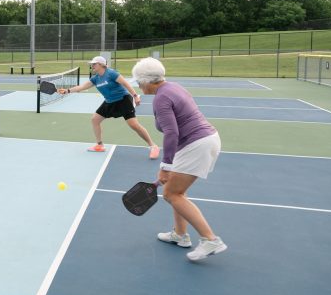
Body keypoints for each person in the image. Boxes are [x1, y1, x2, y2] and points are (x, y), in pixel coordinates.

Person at [132, 56, 226, 262]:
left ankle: (210, 239)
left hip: (196, 144)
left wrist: (165, 166)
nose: (138, 85)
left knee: (172, 194)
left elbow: (171, 133)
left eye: (138, 81)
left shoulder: (161, 98)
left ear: (147, 80)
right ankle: (180, 235)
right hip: (202, 141)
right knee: (177, 192)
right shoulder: (174, 87)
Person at [58, 56, 160, 159]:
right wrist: (67, 91)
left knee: (133, 125)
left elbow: (125, 84)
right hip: (109, 102)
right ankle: (99, 145)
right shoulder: (95, 78)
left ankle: (153, 146)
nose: (92, 66)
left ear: (101, 65)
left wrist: (135, 96)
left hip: (123, 100)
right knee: (95, 120)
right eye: (92, 64)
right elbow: (82, 87)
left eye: (94, 64)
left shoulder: (111, 73)